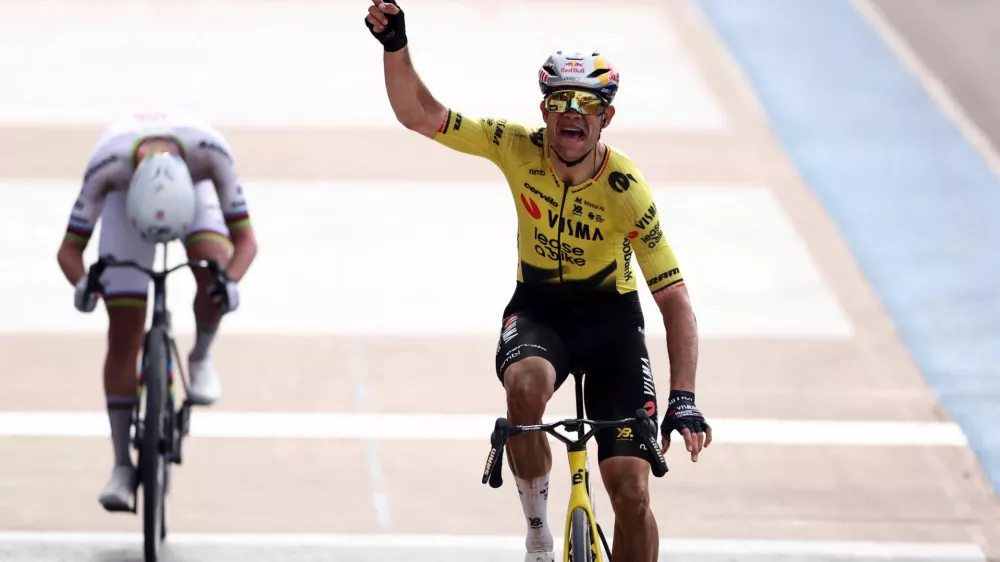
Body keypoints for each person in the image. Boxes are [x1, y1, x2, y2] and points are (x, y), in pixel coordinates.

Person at [364, 2, 712, 561]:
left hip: (611, 325)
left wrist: (686, 398)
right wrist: (394, 45)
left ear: (606, 118)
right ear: (544, 110)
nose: (572, 113)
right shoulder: (515, 146)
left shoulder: (627, 189)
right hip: (541, 311)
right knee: (524, 390)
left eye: (588, 104)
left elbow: (674, 300)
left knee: (630, 491)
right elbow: (420, 114)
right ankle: (538, 536)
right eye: (559, 103)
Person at [55, 111, 258, 511]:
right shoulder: (108, 167)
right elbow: (69, 250)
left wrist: (229, 282)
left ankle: (200, 355)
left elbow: (246, 240)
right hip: (124, 206)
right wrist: (82, 284)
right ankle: (121, 465)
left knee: (211, 267)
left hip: (194, 196)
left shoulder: (210, 154)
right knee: (124, 334)